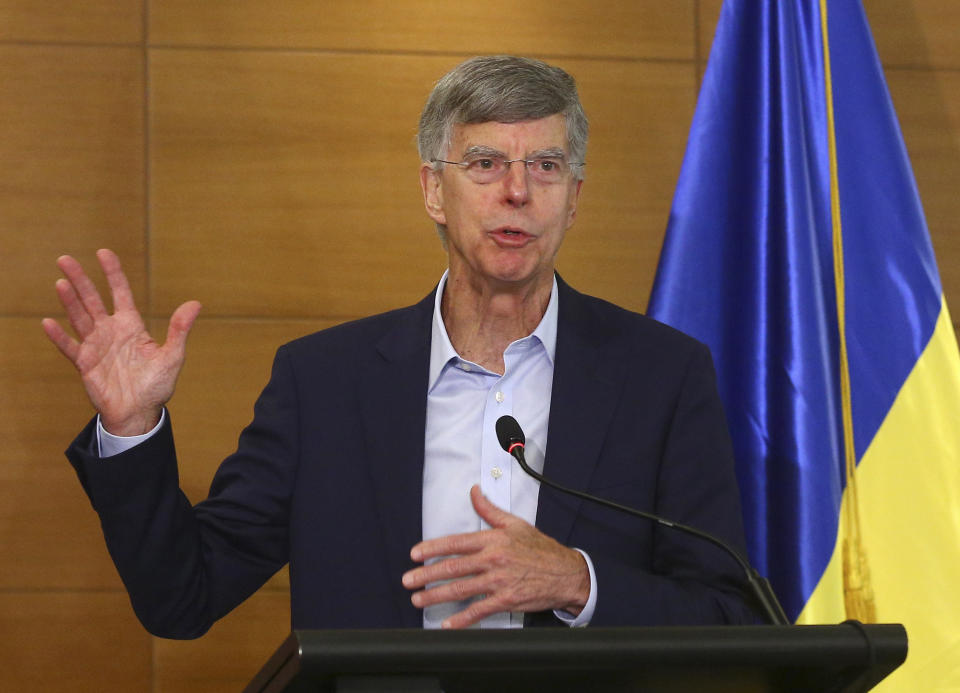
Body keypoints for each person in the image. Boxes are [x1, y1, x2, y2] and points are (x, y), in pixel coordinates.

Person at [43, 56, 756, 637]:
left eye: (544, 165)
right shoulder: (323, 382)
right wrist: (130, 430)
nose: (516, 191)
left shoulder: (662, 376)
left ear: (574, 198)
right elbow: (182, 598)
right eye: (483, 163)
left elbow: (729, 615)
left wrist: (578, 580)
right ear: (433, 192)